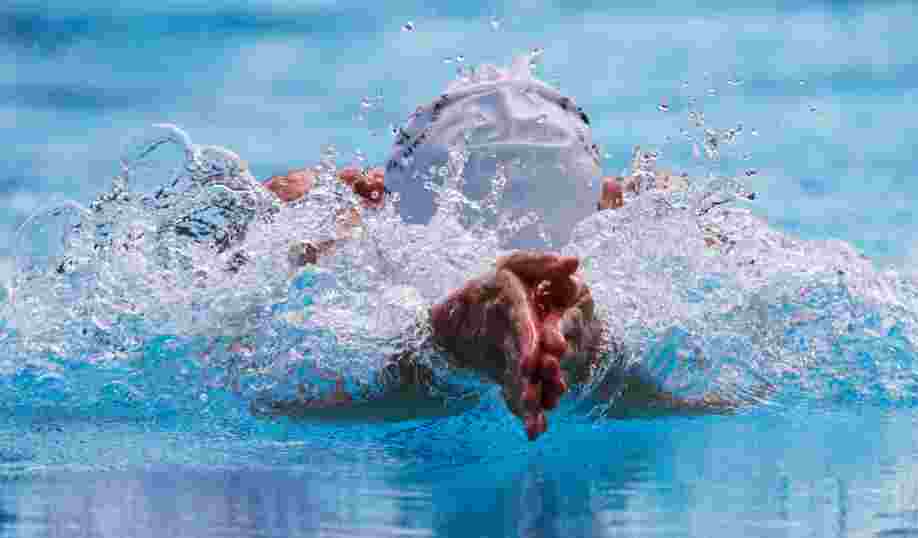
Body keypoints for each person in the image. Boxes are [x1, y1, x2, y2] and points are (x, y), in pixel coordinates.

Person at [256, 59, 752, 440]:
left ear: (378, 195)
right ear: (608, 201)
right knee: (681, 395)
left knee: (407, 377)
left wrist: (304, 203)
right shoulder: (640, 210)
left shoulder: (346, 215)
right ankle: (583, 348)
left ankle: (454, 345)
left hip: (397, 320)